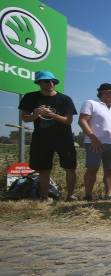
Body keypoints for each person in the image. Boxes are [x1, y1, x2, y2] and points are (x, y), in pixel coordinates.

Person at [19, 71, 77, 201]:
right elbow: (24, 118)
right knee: (44, 169)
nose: (50, 83)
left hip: (64, 138)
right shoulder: (30, 97)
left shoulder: (65, 99)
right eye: (46, 81)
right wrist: (35, 114)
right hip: (41, 138)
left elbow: (68, 121)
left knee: (70, 167)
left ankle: (70, 195)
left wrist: (52, 115)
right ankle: (44, 197)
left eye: (53, 81)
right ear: (39, 82)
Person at [78, 83, 111, 200]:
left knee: (110, 170)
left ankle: (108, 196)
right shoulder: (91, 103)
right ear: (105, 92)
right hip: (94, 143)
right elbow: (82, 121)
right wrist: (93, 139)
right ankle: (88, 195)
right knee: (92, 169)